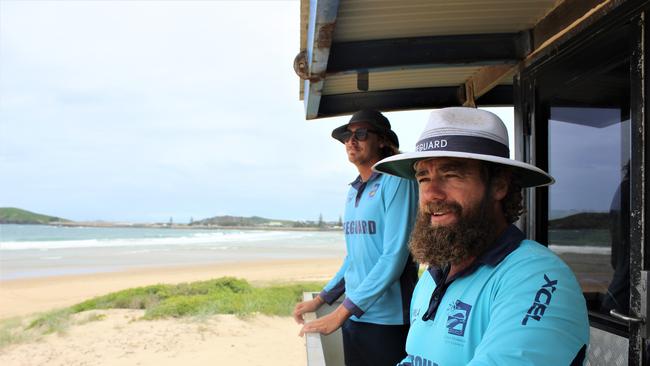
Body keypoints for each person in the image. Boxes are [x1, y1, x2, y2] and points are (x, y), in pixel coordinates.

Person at [373, 107, 590, 366]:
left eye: (451, 175)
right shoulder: (433, 278)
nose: (432, 194)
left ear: (499, 185)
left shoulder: (536, 277)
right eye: (423, 178)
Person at [293, 109, 419, 366]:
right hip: (355, 316)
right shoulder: (354, 191)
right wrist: (321, 300)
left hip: (388, 319)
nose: (351, 141)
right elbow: (354, 259)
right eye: (347, 136)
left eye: (361, 134)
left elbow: (394, 257)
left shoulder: (396, 180)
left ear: (382, 140)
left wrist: (340, 313)